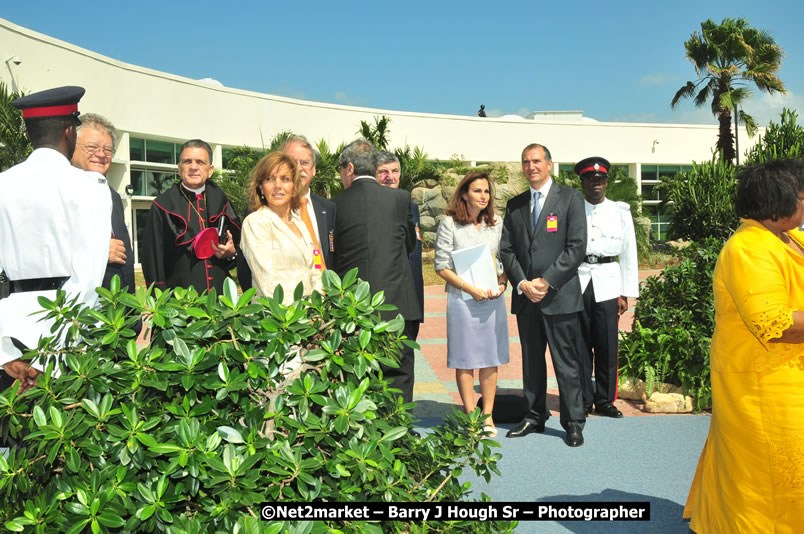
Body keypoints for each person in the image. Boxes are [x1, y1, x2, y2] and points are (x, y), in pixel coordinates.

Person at [684, 159, 804, 533]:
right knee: (767, 477)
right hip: (762, 385)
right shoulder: (749, 248)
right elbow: (775, 324)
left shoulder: (791, 238)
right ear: (779, 200)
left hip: (788, 378)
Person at [0, 86, 111, 393]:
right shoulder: (89, 187)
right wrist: (51, 355)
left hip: (10, 333)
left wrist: (4, 353)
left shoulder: (3, 184)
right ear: (68, 131)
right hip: (66, 342)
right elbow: (88, 279)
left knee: (11, 438)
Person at [500, 143, 587, 447]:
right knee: (531, 361)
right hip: (527, 298)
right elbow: (507, 250)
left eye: (536, 161)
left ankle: (573, 422)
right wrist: (523, 283)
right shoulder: (515, 205)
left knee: (567, 362)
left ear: (550, 164)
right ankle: (535, 415)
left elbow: (576, 248)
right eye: (525, 162)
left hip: (559, 296)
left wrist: (547, 282)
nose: (531, 166)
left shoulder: (571, 199)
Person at [334, 139, 421, 403]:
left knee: (358, 376)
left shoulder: (332, 204)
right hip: (397, 304)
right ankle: (400, 432)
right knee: (399, 374)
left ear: (349, 168)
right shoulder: (400, 198)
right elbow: (409, 244)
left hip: (353, 308)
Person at [435, 171, 509, 437]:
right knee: (465, 360)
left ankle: (487, 416)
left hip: (492, 300)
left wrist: (503, 282)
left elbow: (505, 258)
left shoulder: (496, 223)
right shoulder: (449, 224)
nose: (483, 196)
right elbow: (441, 266)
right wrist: (470, 289)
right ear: (464, 193)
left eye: (486, 191)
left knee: (490, 359)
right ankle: (471, 417)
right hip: (462, 300)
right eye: (477, 191)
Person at [574, 157, 639, 418]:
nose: (596, 184)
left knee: (607, 345)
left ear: (607, 182)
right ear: (583, 183)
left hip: (609, 281)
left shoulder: (620, 211)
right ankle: (582, 398)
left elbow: (629, 252)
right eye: (591, 180)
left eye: (600, 180)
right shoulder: (573, 208)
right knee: (579, 345)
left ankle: (605, 400)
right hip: (577, 280)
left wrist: (627, 291)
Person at [141, 139, 241, 294]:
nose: (194, 167)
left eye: (200, 162)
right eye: (187, 161)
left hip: (221, 299)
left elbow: (238, 249)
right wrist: (159, 302)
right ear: (179, 168)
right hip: (180, 301)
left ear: (210, 169)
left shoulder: (222, 202)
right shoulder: (162, 206)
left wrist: (231, 254)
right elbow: (152, 261)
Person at [238, 135, 335, 290]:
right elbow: (268, 281)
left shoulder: (298, 221)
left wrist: (318, 307)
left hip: (313, 311)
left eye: (285, 179)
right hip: (280, 312)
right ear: (261, 187)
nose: (278, 186)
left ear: (293, 186)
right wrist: (301, 310)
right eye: (270, 179)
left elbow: (315, 270)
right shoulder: (256, 222)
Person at [71, 113, 136, 294]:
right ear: (71, 146)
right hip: (79, 308)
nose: (101, 154)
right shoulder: (59, 192)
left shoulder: (112, 196)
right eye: (92, 147)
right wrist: (96, 252)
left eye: (108, 150)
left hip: (118, 308)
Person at [375, 151, 424, 348]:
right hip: (383, 303)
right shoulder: (370, 210)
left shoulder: (411, 207)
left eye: (395, 171)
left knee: (406, 362)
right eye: (383, 172)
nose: (390, 176)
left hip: (411, 301)